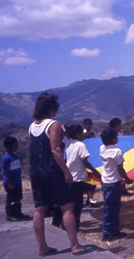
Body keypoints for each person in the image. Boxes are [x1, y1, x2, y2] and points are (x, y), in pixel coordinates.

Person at [29, 92, 91, 256]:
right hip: (52, 171)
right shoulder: (53, 125)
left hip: (36, 171)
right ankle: (75, 245)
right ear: (52, 108)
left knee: (39, 209)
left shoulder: (32, 126)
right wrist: (66, 172)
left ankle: (42, 247)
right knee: (67, 207)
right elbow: (56, 150)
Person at [100, 128, 134, 241]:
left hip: (105, 181)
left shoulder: (102, 148)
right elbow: (120, 169)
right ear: (113, 139)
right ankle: (109, 233)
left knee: (108, 207)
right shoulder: (117, 152)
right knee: (113, 208)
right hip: (114, 182)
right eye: (116, 136)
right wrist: (127, 179)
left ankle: (111, 230)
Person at [65, 124, 101, 230]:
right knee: (77, 203)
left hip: (70, 177)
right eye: (81, 133)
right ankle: (75, 225)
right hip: (77, 178)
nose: (83, 135)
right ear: (77, 134)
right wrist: (95, 171)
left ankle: (68, 223)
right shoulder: (80, 145)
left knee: (70, 203)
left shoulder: (70, 145)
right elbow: (85, 161)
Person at [2, 136, 31, 221]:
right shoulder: (6, 158)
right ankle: (9, 214)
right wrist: (10, 182)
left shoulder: (15, 155)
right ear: (8, 146)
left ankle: (18, 213)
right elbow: (6, 171)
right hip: (10, 183)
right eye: (15, 145)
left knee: (18, 197)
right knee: (10, 198)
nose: (17, 147)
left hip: (17, 181)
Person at [82, 118, 98, 206]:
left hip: (92, 157)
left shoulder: (94, 134)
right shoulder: (82, 133)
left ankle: (90, 198)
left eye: (89, 124)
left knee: (91, 179)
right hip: (84, 158)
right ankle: (86, 198)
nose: (88, 126)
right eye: (86, 124)